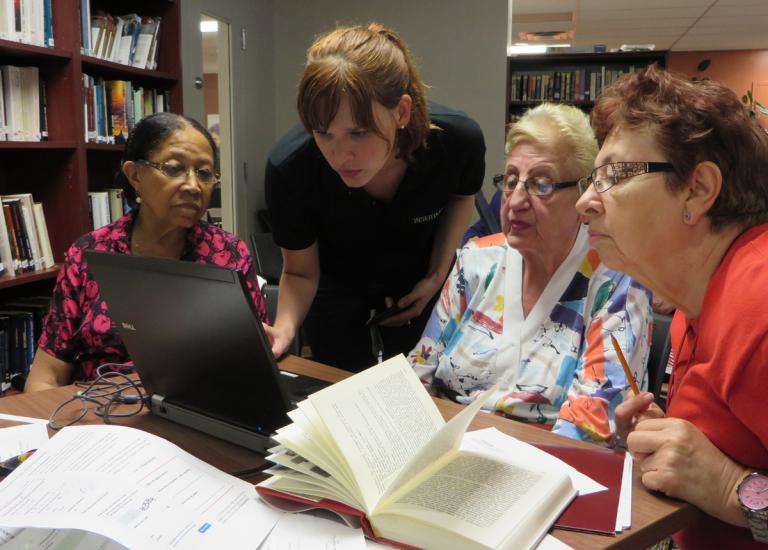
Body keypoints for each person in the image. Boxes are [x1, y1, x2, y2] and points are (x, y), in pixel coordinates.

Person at [576, 66, 768, 548]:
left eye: (613, 175)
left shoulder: (759, 305)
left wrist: (732, 489)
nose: (584, 202)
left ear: (698, 190)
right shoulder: (694, 299)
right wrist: (672, 440)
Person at [409, 102, 652, 446]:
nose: (515, 201)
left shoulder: (616, 282)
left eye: (541, 184)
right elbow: (417, 374)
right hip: (443, 451)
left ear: (583, 194)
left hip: (549, 469)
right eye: (510, 181)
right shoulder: (477, 261)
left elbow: (589, 428)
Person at [264, 23, 485, 371]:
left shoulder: (456, 142)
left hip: (419, 293)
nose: (340, 155)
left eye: (358, 132)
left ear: (401, 112)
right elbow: (301, 274)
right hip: (335, 298)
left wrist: (437, 273)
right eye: (323, 133)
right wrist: (284, 329)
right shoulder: (291, 167)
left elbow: (462, 197)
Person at [25, 112, 268, 392]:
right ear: (135, 175)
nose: (192, 185)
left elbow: (256, 365)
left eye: (204, 173)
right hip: (98, 415)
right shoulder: (89, 253)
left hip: (197, 412)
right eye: (175, 168)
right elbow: (46, 376)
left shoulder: (229, 255)